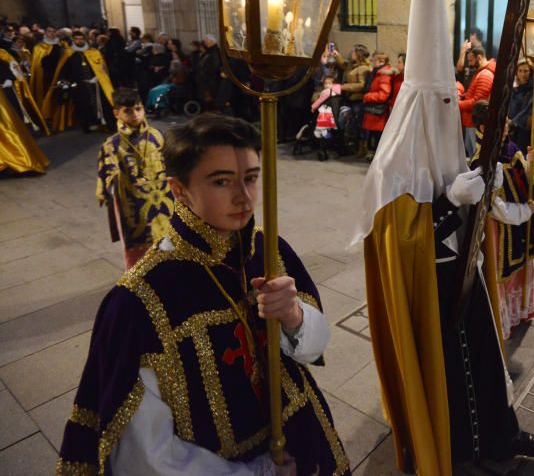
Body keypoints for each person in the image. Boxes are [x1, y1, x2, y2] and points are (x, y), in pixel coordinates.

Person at [356, 0, 534, 475]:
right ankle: (455, 449)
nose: (450, 109)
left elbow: (480, 196)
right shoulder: (392, 164)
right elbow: (394, 237)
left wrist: (498, 182)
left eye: (452, 100)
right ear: (420, 106)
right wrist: (448, 204)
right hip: (427, 289)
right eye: (440, 102)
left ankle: (501, 437)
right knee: (444, 369)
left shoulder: (452, 143)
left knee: (485, 358)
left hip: (464, 277)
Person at [58, 113, 350, 475]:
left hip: (302, 439)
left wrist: (295, 318)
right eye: (222, 181)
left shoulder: (267, 249)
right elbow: (145, 454)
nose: (244, 197)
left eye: (251, 178)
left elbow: (315, 349)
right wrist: (257, 472)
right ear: (178, 189)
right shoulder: (141, 299)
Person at [470, 101, 534, 338]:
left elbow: (530, 180)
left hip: (519, 220)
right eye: (502, 124)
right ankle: (501, 320)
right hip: (500, 228)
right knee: (501, 274)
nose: (507, 127)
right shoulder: (482, 160)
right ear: (486, 126)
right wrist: (524, 212)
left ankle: (519, 311)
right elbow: (492, 206)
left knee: (520, 268)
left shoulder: (510, 147)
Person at [95, 88, 174, 270]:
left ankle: (171, 270)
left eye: (138, 109)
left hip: (163, 197)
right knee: (138, 245)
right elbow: (106, 171)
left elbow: (171, 161)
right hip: (133, 201)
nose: (135, 114)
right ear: (117, 113)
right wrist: (109, 185)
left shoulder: (156, 135)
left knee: (169, 238)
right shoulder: (112, 144)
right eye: (128, 111)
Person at [42, 28, 115, 132]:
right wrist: (65, 83)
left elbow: (102, 67)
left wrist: (98, 77)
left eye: (81, 39)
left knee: (101, 103)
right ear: (73, 40)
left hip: (96, 83)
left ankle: (105, 123)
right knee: (83, 105)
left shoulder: (93, 52)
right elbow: (64, 70)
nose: (79, 41)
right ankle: (88, 125)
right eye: (77, 39)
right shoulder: (68, 53)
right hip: (79, 84)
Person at [458, 45, 496, 156]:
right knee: (471, 154)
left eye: (471, 60)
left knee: (475, 154)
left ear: (479, 57)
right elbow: (473, 94)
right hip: (470, 121)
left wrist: (458, 104)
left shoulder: (485, 74)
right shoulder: (481, 72)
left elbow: (477, 102)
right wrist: (463, 96)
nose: (469, 64)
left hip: (475, 121)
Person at [360, 51, 396, 159]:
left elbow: (383, 95)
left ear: (381, 61)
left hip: (378, 109)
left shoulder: (384, 75)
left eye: (373, 60)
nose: (371, 62)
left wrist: (367, 96)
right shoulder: (377, 72)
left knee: (377, 135)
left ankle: (376, 155)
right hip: (374, 109)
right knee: (374, 133)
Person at [29, 25, 65, 107]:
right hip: (45, 75)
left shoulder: (62, 46)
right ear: (45, 33)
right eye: (49, 31)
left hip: (59, 75)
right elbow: (36, 65)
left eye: (53, 31)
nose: (52, 34)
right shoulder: (38, 47)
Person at [509, 60, 534, 152]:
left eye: (526, 71)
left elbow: (528, 108)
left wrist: (514, 121)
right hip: (511, 125)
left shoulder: (532, 88)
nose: (523, 74)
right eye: (520, 71)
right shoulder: (514, 86)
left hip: (523, 127)